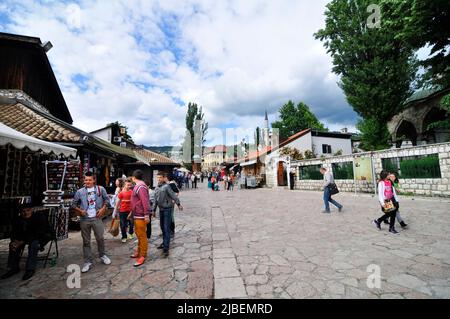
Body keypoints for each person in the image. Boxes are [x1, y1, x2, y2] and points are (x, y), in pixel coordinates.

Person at [1, 202, 53, 281]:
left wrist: (22, 241)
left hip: (42, 236)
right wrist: (15, 241)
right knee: (13, 244)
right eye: (23, 211)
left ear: (31, 210)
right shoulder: (18, 219)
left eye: (28, 210)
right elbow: (14, 232)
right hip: (25, 237)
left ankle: (30, 269)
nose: (26, 213)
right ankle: (14, 268)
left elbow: (39, 233)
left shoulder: (39, 217)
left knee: (34, 244)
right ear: (20, 212)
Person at [72, 172, 111, 273]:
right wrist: (80, 211)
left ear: (94, 180)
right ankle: (87, 261)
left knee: (100, 238)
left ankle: (102, 255)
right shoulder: (79, 192)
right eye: (86, 180)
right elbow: (73, 204)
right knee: (86, 241)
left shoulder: (100, 189)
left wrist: (103, 209)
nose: (87, 182)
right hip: (84, 219)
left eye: (89, 180)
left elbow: (107, 200)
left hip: (97, 218)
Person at [154, 172, 183, 257]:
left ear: (164, 178)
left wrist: (178, 204)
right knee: (162, 227)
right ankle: (164, 243)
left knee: (166, 228)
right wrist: (153, 210)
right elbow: (156, 199)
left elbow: (174, 195)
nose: (159, 179)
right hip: (161, 209)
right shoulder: (157, 188)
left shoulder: (167, 186)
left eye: (160, 177)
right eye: (158, 177)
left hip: (167, 209)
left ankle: (166, 249)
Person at [130, 170, 151, 267]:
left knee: (142, 236)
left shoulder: (141, 186)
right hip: (137, 214)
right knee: (139, 234)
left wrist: (147, 214)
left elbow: (145, 201)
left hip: (141, 215)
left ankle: (143, 255)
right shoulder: (139, 186)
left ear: (133, 177)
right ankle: (139, 251)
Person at [373, 170, 400, 235]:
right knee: (392, 213)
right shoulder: (381, 183)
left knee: (391, 213)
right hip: (386, 201)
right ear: (385, 176)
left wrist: (396, 199)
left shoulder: (390, 181)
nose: (390, 175)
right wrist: (382, 203)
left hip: (392, 199)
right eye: (388, 174)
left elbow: (392, 191)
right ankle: (391, 228)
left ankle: (378, 221)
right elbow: (380, 194)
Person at [115, 179, 135, 243]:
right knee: (123, 225)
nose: (129, 186)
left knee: (131, 224)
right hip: (122, 211)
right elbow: (118, 201)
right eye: (128, 185)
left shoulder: (132, 192)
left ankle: (131, 232)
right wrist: (115, 210)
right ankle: (124, 236)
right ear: (124, 185)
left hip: (130, 211)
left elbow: (134, 202)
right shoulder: (121, 193)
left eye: (130, 185)